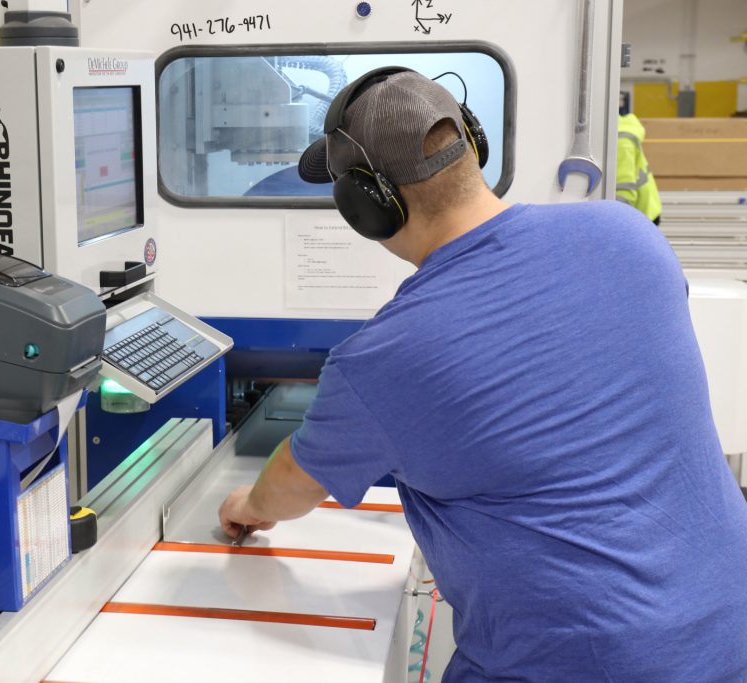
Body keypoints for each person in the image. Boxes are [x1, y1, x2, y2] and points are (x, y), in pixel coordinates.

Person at [218, 69, 747, 682]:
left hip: (584, 665)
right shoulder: (628, 234)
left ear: (367, 205)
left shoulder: (387, 356)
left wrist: (249, 505)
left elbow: (293, 482)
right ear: (474, 143)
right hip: (728, 629)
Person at [617, 110, 662, 225]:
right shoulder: (616, 135)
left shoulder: (621, 141)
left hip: (643, 214)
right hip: (639, 211)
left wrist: (616, 222)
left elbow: (624, 189)